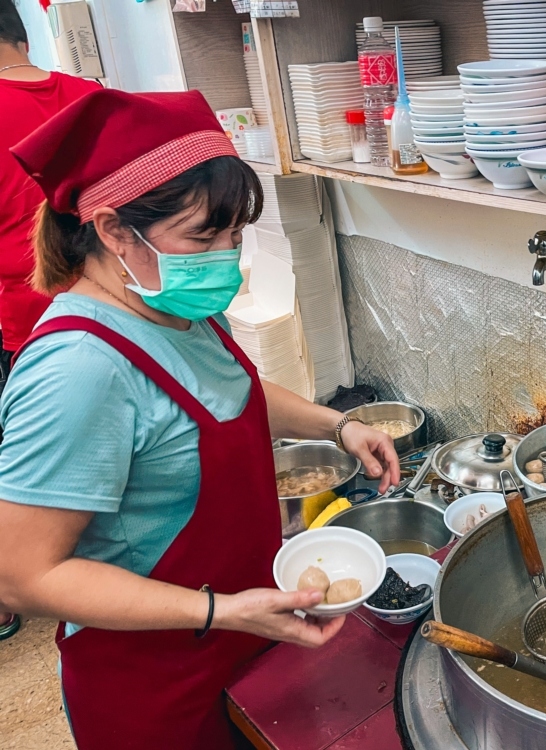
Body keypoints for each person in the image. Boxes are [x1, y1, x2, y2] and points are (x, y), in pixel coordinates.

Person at [0, 88, 400, 749]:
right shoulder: (79, 369)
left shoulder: (172, 305)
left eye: (236, 234)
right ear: (112, 230)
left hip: (244, 636)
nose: (227, 256)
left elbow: (227, 390)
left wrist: (337, 426)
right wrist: (219, 609)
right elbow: (22, 573)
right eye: (205, 236)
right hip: (158, 684)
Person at [0, 0, 101, 642]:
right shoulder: (90, 95)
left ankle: (38, 595)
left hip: (37, 325)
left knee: (48, 480)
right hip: (122, 302)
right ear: (20, 31)